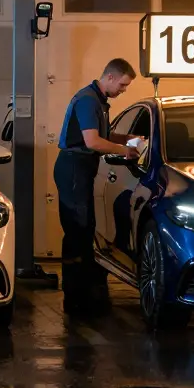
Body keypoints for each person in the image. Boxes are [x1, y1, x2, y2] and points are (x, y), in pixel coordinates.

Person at [53, 58, 139, 317]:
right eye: (123, 85)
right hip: (74, 168)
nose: (123, 90)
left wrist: (131, 139)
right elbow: (92, 142)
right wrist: (125, 151)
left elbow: (102, 135)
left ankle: (80, 292)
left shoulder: (98, 101)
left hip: (80, 168)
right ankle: (74, 297)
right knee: (77, 231)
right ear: (110, 77)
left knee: (84, 228)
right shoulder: (89, 100)